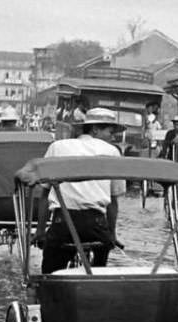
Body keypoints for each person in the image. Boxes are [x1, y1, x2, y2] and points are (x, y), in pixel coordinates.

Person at [39, 107, 126, 275]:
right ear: (95, 129)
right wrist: (112, 235)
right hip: (96, 225)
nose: (112, 137)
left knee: (50, 272)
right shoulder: (112, 152)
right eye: (110, 132)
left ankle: (47, 292)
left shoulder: (58, 147)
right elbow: (113, 201)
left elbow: (44, 194)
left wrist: (41, 231)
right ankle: (95, 286)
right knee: (100, 264)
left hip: (62, 222)